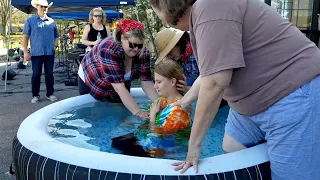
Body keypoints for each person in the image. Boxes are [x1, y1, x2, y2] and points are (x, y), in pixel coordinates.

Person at [149, 0, 320, 179]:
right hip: (250, 105)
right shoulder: (204, 13)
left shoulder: (210, 7)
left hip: (291, 93)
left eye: (158, 13)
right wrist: (183, 103)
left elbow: (215, 82)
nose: (164, 22)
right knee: (232, 148)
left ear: (167, 8)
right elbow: (211, 71)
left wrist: (194, 145)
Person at [78, 19, 159, 120]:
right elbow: (119, 88)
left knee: (121, 113)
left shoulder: (143, 52)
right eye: (132, 45)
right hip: (92, 75)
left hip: (118, 82)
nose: (136, 49)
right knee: (94, 114)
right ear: (122, 38)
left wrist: (159, 103)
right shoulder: (108, 49)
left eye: (140, 45)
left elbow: (146, 82)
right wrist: (138, 112)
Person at [112, 60, 191, 158]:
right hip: (151, 139)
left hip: (161, 148)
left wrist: (153, 115)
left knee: (122, 159)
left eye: (159, 82)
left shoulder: (179, 112)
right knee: (115, 143)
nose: (155, 86)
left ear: (172, 82)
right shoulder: (163, 101)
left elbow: (159, 135)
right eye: (155, 82)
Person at [155, 27, 228, 108]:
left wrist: (187, 90)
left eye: (170, 52)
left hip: (220, 96)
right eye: (167, 55)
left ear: (178, 43)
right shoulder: (177, 59)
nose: (170, 56)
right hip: (198, 94)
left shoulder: (199, 50)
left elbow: (212, 82)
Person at [22, 0, 60, 103]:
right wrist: (25, 52)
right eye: (42, 6)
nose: (44, 8)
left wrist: (55, 45)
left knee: (49, 74)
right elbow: (25, 37)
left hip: (49, 53)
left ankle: (50, 94)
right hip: (36, 53)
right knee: (36, 74)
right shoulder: (30, 21)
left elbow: (57, 36)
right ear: (37, 7)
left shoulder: (52, 21)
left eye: (46, 7)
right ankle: (35, 95)